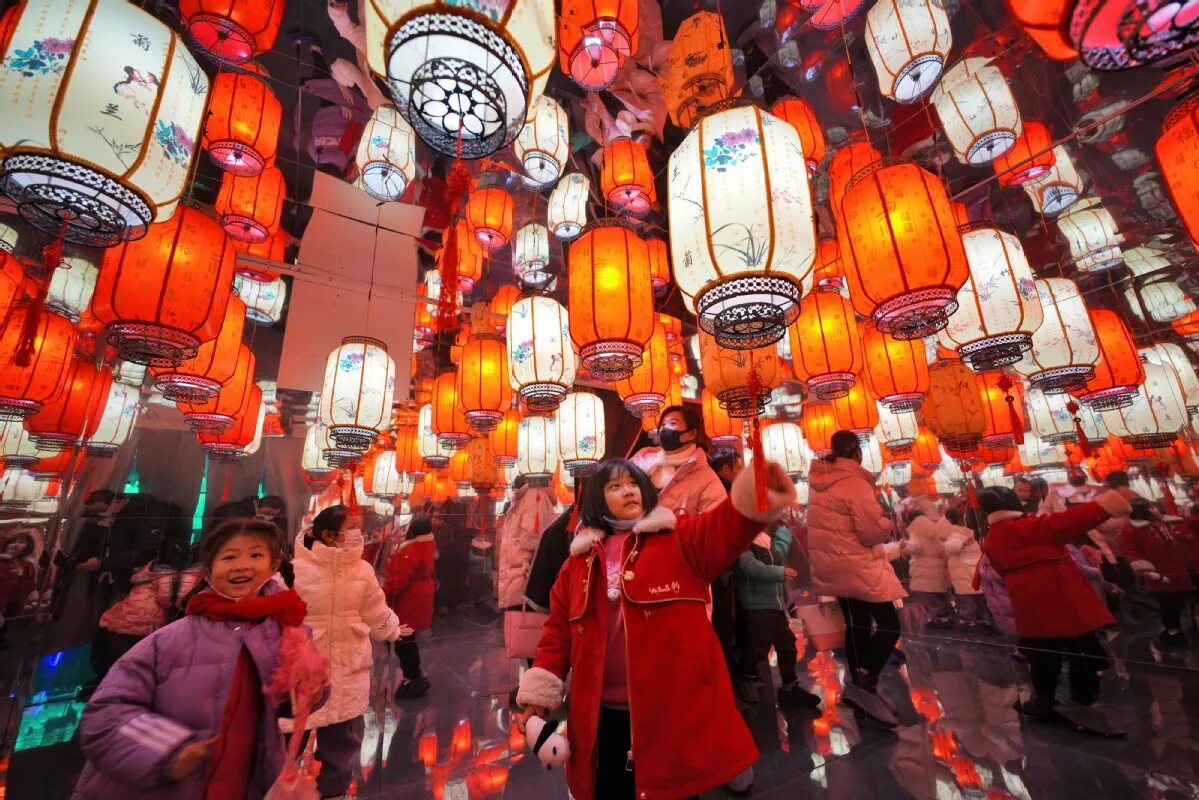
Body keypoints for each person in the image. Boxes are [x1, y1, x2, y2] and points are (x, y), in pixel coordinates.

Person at [515, 456, 796, 800]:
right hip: (599, 719)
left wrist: (758, 492)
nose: (628, 491)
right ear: (596, 501)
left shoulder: (682, 539)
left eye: (634, 484)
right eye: (615, 486)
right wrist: (538, 698)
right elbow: (557, 634)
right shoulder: (577, 564)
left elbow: (725, 526)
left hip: (669, 718)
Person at [73, 518, 321, 799]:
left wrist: (311, 688)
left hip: (243, 783)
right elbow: (105, 713)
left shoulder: (289, 633)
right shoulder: (169, 640)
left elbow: (293, 706)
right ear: (208, 570)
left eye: (255, 555)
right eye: (229, 557)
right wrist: (170, 751)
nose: (242, 565)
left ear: (273, 567)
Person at [979, 485, 1131, 735]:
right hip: (1059, 600)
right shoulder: (1025, 528)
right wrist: (1109, 502)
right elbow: (1070, 521)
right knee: (1079, 648)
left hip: (1030, 602)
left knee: (1043, 655)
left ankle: (1045, 700)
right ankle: (1079, 698)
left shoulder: (994, 536)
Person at [288, 505, 407, 799]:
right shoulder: (294, 569)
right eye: (351, 527)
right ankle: (278, 787)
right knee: (289, 737)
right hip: (304, 668)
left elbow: (374, 608)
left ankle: (334, 792)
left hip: (348, 665)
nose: (358, 533)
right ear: (327, 535)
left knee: (341, 741)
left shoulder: (362, 569)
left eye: (358, 527)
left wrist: (392, 628)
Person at [806, 430, 905, 726]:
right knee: (889, 625)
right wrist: (888, 521)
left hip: (834, 567)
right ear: (857, 452)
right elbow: (870, 533)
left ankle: (861, 690)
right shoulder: (854, 483)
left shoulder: (820, 483)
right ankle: (864, 680)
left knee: (857, 624)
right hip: (860, 565)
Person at [736, 522, 821, 709]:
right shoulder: (741, 538)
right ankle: (747, 683)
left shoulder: (764, 538)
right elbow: (750, 567)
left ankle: (789, 686)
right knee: (757, 648)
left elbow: (777, 555)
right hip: (756, 605)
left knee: (787, 644)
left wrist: (784, 534)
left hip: (775, 603)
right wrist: (779, 572)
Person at [1118, 499, 1197, 647]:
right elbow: (1130, 552)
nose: (1155, 509)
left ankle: (1183, 627)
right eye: (1151, 507)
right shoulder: (1131, 530)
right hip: (1161, 575)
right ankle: (1172, 632)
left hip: (1179, 572)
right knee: (1168, 605)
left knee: (1180, 602)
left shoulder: (1163, 523)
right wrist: (1150, 573)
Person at [629, 405, 727, 515]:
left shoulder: (707, 479)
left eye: (672, 423)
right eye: (663, 424)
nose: (665, 429)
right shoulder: (643, 457)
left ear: (691, 434)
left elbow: (714, 521)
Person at [385, 516, 436, 699]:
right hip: (419, 595)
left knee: (403, 639)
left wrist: (383, 597)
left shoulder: (411, 551)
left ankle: (413, 676)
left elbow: (398, 580)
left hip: (409, 599)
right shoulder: (427, 545)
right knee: (408, 639)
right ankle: (413, 674)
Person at [497, 475, 557, 612]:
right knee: (521, 619)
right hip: (520, 571)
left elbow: (533, 533)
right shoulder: (527, 495)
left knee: (524, 620)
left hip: (524, 573)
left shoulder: (533, 495)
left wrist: (525, 562)